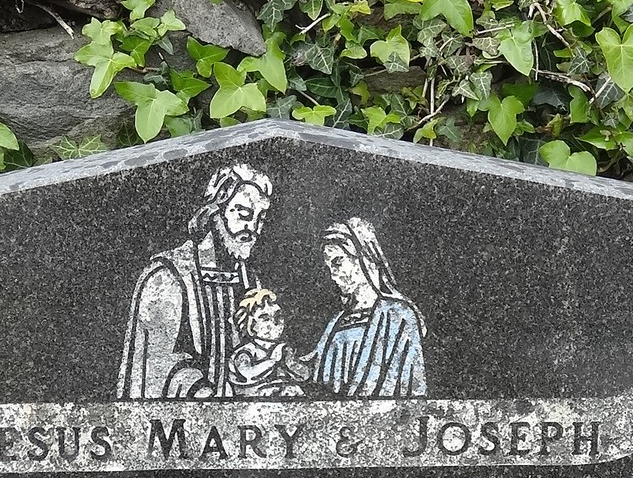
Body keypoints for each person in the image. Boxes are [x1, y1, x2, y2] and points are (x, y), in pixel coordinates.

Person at [118, 165, 273, 399]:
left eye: (260, 219)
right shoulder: (167, 276)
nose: (252, 228)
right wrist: (202, 394)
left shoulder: (249, 280)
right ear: (215, 210)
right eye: (243, 214)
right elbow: (157, 365)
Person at [309, 219, 427, 398]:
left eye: (338, 262)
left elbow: (404, 384)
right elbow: (314, 373)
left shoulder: (399, 314)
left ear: (364, 256)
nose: (333, 275)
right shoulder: (337, 321)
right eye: (329, 267)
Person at [227, 287, 305, 398]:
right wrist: (273, 360)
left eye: (278, 316)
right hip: (252, 397)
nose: (275, 322)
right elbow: (247, 374)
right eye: (265, 318)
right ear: (250, 325)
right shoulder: (246, 351)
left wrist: (290, 362)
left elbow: (304, 375)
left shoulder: (282, 349)